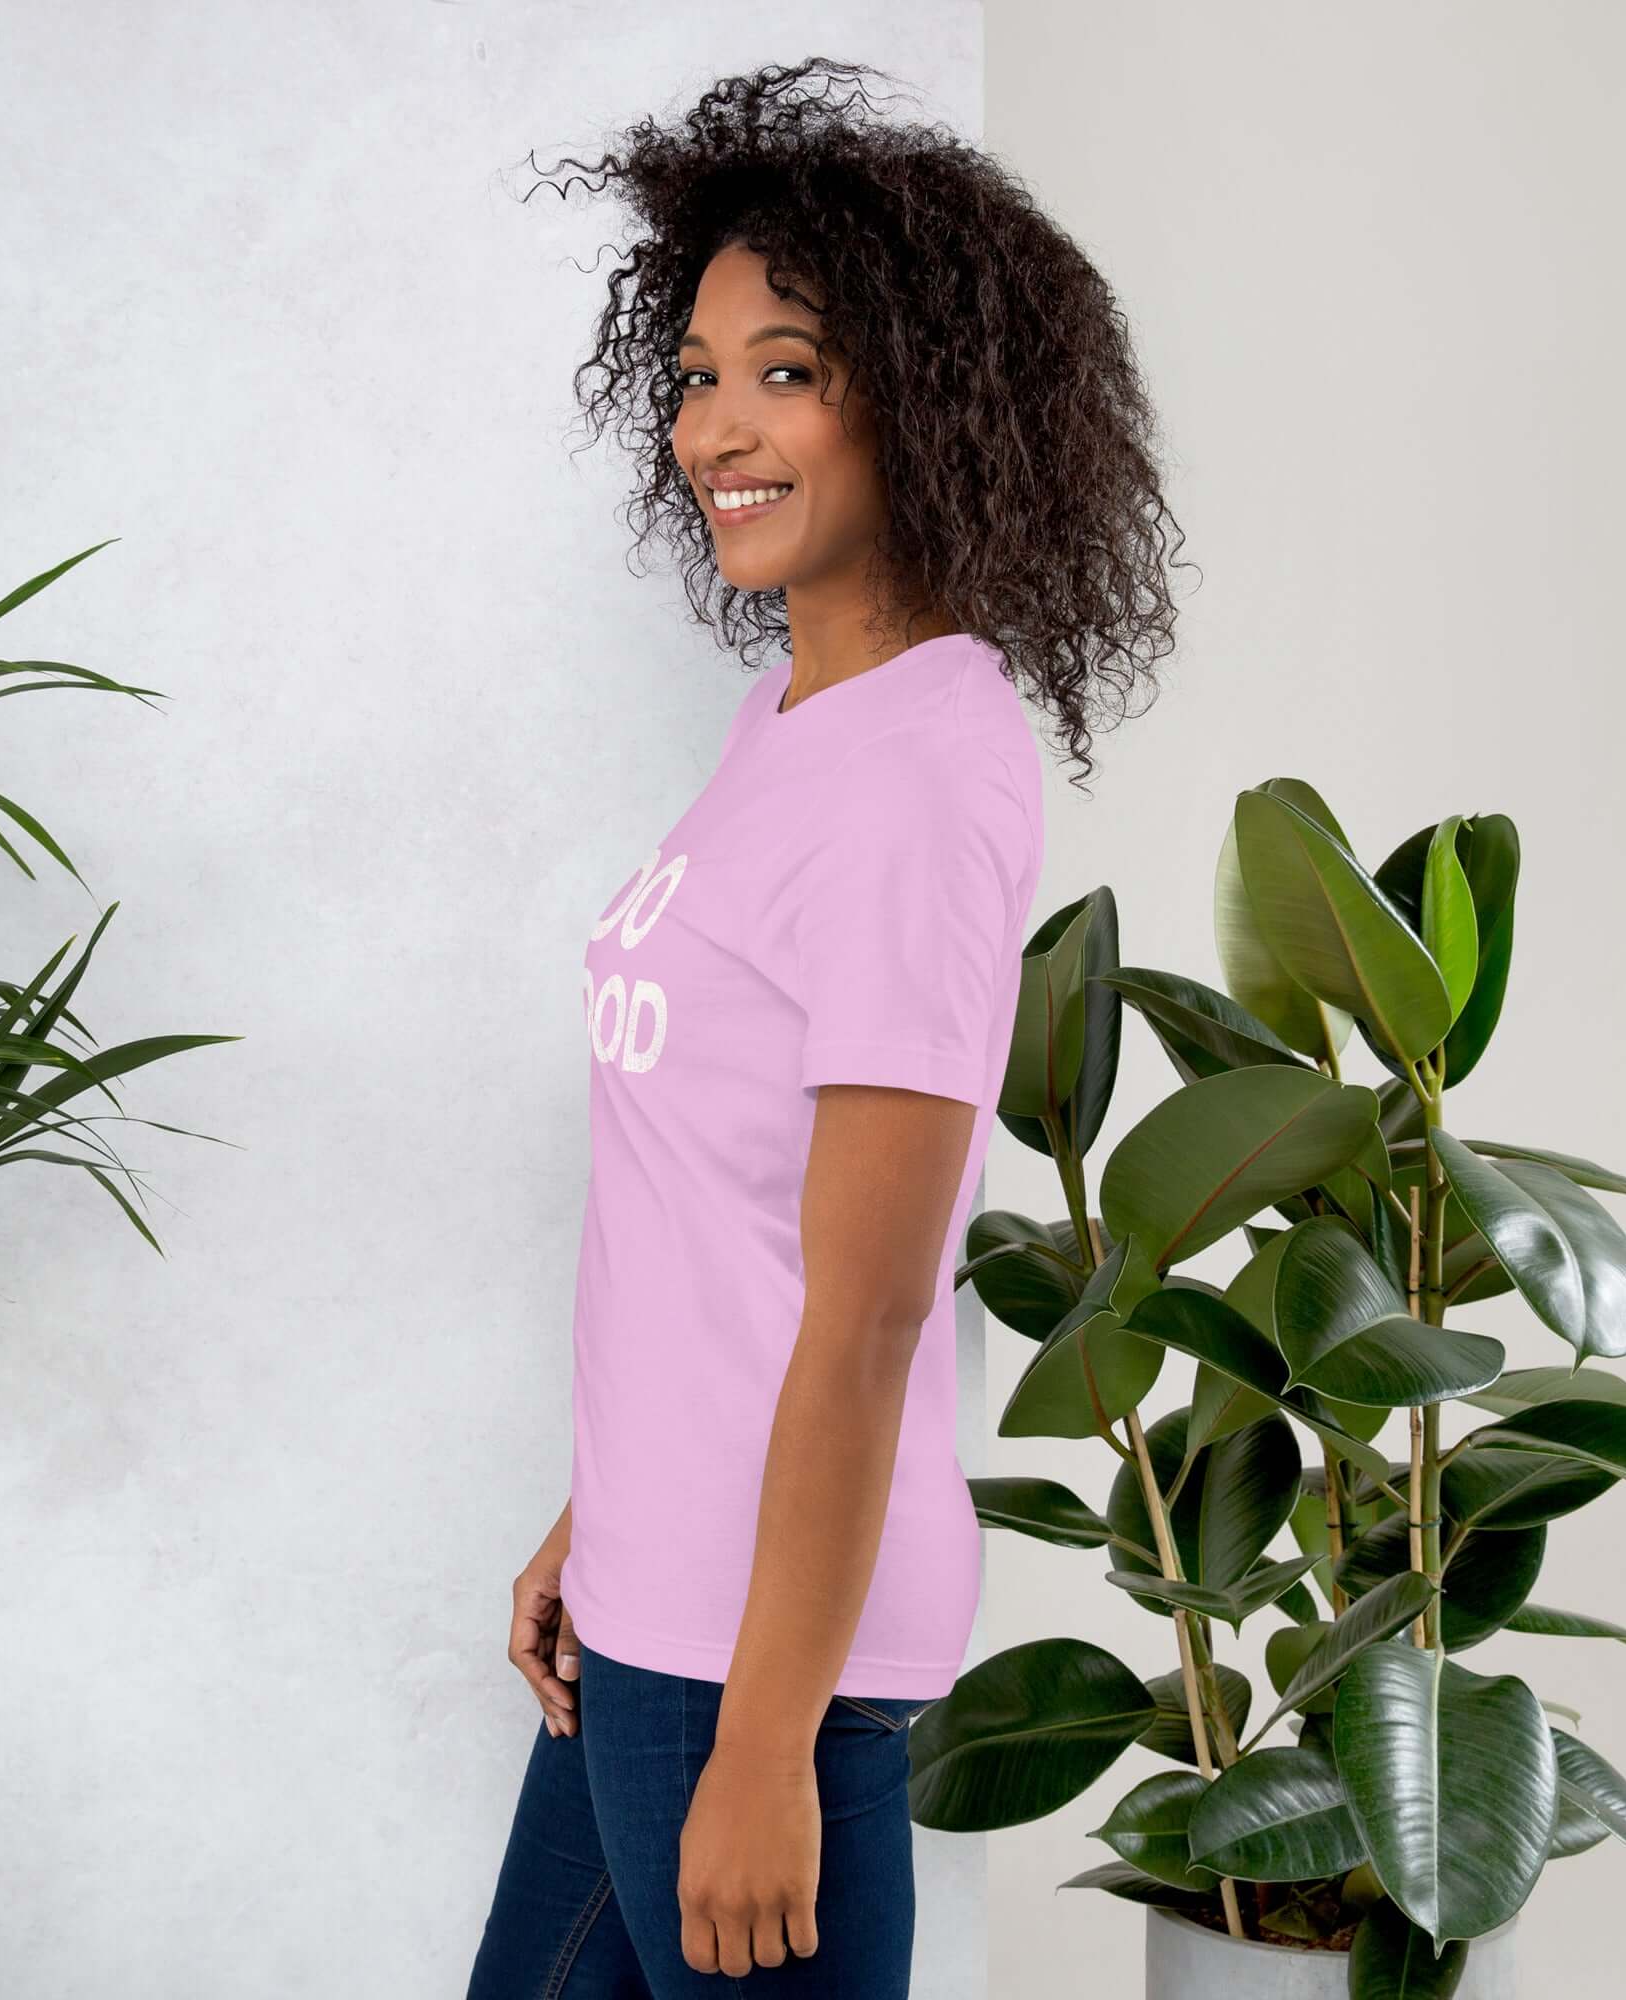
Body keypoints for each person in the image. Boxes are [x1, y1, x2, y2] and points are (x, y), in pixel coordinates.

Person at [468, 57, 1187, 1999]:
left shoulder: (917, 778)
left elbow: (868, 1309)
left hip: (758, 1667)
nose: (719, 426)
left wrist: (769, 1744)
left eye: (786, 369)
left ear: (934, 404)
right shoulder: (787, 728)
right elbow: (725, 1218)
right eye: (697, 374)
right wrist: (598, 1520)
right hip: (655, 1612)